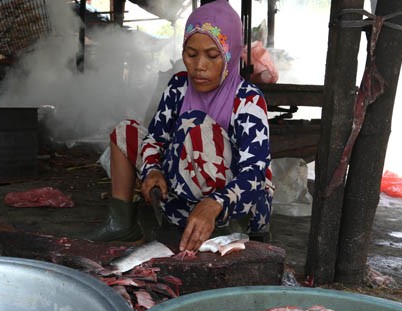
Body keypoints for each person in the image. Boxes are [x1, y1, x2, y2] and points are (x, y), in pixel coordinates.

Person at [89, 0, 274, 252]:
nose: (199, 66)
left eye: (212, 56)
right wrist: (152, 170)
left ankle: (223, 233)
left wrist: (215, 203)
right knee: (125, 130)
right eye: (191, 54)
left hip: (232, 206)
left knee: (196, 127)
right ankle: (122, 222)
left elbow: (254, 173)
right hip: (179, 188)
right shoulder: (179, 86)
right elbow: (155, 139)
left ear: (230, 55)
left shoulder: (248, 100)